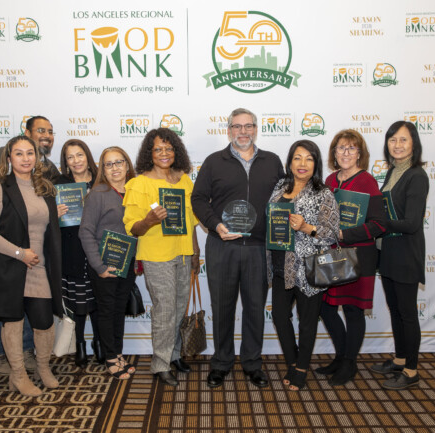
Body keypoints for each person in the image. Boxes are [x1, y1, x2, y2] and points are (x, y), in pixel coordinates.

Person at [191, 108, 284, 389]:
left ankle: (253, 363)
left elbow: (283, 199)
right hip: (222, 247)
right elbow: (198, 199)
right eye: (237, 127)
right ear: (228, 130)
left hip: (258, 248)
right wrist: (214, 224)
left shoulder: (272, 161)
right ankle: (221, 363)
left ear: (256, 129)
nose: (243, 132)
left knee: (256, 308)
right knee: (222, 308)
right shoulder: (213, 162)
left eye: (248, 126)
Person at [0, 135, 62, 397]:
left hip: (40, 268)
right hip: (11, 266)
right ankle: (19, 375)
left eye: (30, 153)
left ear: (37, 157)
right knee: (12, 322)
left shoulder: (45, 188)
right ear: (9, 158)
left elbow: (42, 226)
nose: (26, 158)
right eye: (19, 154)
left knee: (44, 322)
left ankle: (43, 369)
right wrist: (19, 253)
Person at [123, 128, 200, 387]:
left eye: (169, 148)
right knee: (165, 311)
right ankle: (160, 364)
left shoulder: (185, 181)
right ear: (149, 153)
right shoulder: (139, 183)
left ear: (176, 151)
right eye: (158, 149)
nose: (164, 153)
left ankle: (175, 355)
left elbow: (191, 221)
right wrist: (149, 220)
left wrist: (195, 250)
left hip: (183, 253)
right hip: (157, 256)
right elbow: (133, 227)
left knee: (178, 309)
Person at [266, 140, 340, 391]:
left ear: (316, 164)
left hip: (308, 268)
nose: (302, 164)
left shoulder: (324, 193)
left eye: (309, 158)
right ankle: (293, 361)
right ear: (289, 162)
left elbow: (331, 235)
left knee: (307, 322)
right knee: (279, 316)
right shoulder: (279, 186)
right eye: (297, 158)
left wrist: (306, 227)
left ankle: (300, 369)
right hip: (279, 264)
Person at [317, 129, 386, 386]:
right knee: (327, 307)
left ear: (360, 153)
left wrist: (346, 234)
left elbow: (379, 224)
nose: (346, 153)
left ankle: (349, 363)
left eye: (351, 148)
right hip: (333, 254)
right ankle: (341, 357)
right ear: (334, 153)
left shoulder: (367, 181)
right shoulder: (330, 180)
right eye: (341, 148)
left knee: (353, 311)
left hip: (359, 255)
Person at [368, 121, 429, 390]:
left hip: (405, 255)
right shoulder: (393, 172)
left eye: (403, 140)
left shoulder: (416, 175)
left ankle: (412, 371)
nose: (398, 145)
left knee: (407, 314)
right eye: (393, 140)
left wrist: (378, 222)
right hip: (389, 254)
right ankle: (400, 358)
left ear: (413, 143)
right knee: (396, 311)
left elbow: (412, 223)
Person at [79, 146, 137, 379]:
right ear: (102, 169)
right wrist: (100, 267)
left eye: (119, 162)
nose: (115, 168)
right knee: (106, 310)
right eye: (109, 164)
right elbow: (85, 232)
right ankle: (111, 358)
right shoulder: (98, 194)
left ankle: (118, 353)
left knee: (118, 311)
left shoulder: (135, 191)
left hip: (127, 264)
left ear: (127, 164)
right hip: (104, 265)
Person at [54, 139, 102, 367]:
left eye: (80, 155)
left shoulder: (101, 181)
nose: (76, 161)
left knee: (99, 300)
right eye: (70, 157)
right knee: (78, 302)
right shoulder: (58, 184)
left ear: (88, 156)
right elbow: (43, 220)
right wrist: (54, 213)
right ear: (65, 162)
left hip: (98, 249)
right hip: (71, 249)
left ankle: (100, 342)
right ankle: (81, 344)